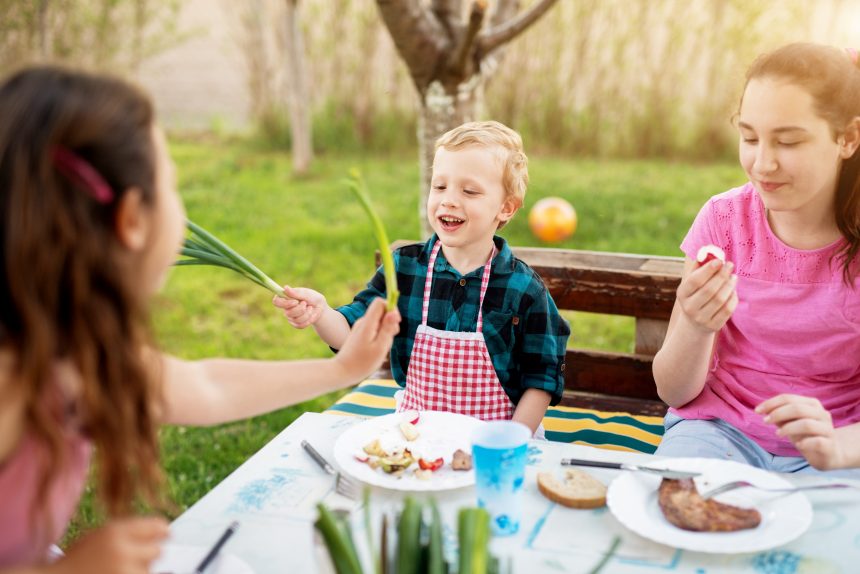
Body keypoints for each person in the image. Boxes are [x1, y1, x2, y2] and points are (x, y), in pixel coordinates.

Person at [0, 66, 400, 572]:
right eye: (172, 185)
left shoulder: (74, 352)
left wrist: (342, 369)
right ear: (131, 219)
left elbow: (208, 386)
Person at [274, 121, 569, 435]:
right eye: (439, 186)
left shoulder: (523, 288)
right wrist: (321, 313)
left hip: (497, 442)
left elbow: (541, 379)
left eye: (469, 191)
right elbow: (351, 336)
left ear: (506, 208)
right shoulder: (404, 269)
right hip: (417, 440)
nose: (448, 200)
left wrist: (510, 442)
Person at [652, 43, 860, 477]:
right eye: (749, 138)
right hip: (718, 433)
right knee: (670, 506)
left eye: (788, 141)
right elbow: (674, 391)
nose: (762, 163)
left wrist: (840, 446)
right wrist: (696, 325)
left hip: (840, 448)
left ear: (848, 138)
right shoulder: (724, 220)